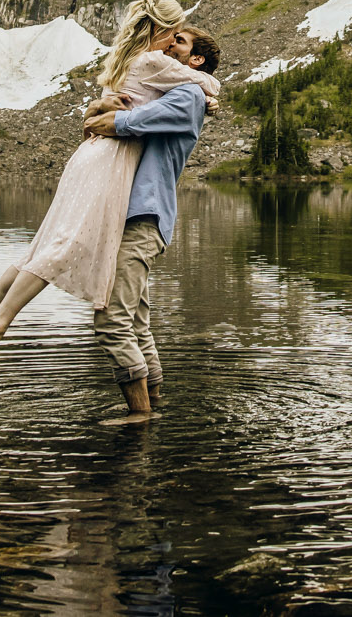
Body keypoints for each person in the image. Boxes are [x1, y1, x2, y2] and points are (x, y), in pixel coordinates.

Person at [0, 0, 219, 390]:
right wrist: (211, 95)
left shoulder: (130, 62)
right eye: (174, 36)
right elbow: (206, 84)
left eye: (182, 42)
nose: (174, 45)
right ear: (161, 31)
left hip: (93, 160)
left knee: (46, 246)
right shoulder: (158, 64)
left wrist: (98, 111)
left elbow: (122, 110)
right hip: (110, 163)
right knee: (65, 245)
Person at [80, 23, 220, 416]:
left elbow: (130, 119)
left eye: (179, 41)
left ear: (196, 60)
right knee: (137, 324)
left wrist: (105, 118)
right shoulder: (185, 91)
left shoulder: (189, 94)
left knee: (112, 323)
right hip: (136, 216)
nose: (167, 44)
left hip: (145, 216)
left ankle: (140, 420)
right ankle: (154, 408)